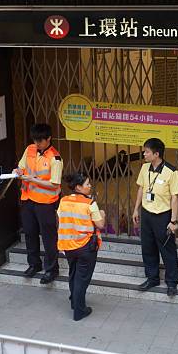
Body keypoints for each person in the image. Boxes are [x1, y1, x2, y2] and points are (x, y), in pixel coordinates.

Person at [13, 123, 63, 284]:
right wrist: (18, 171)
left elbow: (54, 184)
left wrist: (33, 179)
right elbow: (21, 166)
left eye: (40, 141)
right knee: (29, 232)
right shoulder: (29, 149)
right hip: (27, 199)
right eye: (35, 140)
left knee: (48, 237)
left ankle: (52, 269)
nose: (37, 144)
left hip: (46, 202)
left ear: (48, 139)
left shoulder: (55, 158)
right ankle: (34, 264)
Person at [132, 138, 178, 297]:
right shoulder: (144, 168)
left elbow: (175, 197)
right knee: (147, 247)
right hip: (146, 214)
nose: (144, 154)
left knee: (167, 250)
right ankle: (152, 278)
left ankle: (172, 283)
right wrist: (135, 210)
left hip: (163, 216)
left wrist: (173, 221)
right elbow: (141, 189)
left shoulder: (171, 171)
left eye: (146, 151)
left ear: (156, 154)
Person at [57, 172, 105, 321]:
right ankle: (79, 310)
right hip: (85, 246)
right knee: (82, 278)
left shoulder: (63, 201)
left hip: (68, 245)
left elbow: (60, 219)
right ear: (78, 187)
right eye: (87, 184)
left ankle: (74, 301)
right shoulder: (90, 203)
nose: (90, 186)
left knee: (73, 273)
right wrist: (102, 213)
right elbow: (100, 224)